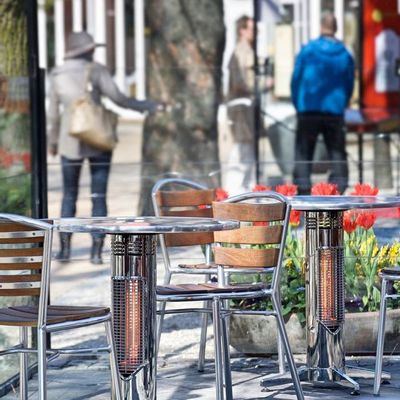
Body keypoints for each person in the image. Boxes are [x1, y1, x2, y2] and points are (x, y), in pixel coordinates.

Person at [47, 32, 160, 264]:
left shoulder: (57, 74)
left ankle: (65, 250)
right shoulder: (96, 70)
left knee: (69, 195)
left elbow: (53, 114)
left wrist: (53, 141)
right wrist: (145, 106)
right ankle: (96, 252)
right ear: (86, 51)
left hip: (69, 142)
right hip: (99, 139)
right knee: (98, 196)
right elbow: (118, 98)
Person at [291, 11, 355, 194]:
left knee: (303, 156)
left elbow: (296, 79)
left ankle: (303, 196)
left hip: (308, 109)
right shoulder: (344, 54)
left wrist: (298, 104)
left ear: (321, 27)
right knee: (337, 155)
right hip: (334, 110)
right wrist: (344, 101)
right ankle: (335, 192)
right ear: (335, 28)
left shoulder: (307, 51)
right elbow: (349, 82)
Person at [226, 15, 256, 195]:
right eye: (251, 29)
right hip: (240, 109)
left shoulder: (248, 50)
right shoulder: (239, 52)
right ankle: (237, 192)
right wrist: (257, 86)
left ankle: (247, 190)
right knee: (241, 150)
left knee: (248, 150)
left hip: (248, 108)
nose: (254, 33)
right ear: (242, 30)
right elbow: (238, 83)